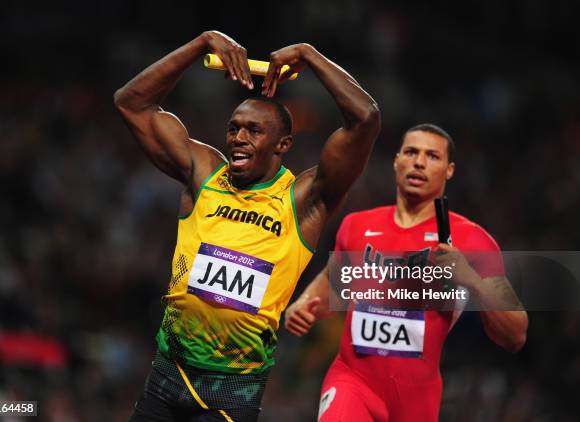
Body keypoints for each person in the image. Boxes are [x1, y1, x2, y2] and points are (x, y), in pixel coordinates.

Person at [114, 30, 380, 421]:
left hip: (232, 391)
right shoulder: (204, 172)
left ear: (282, 145)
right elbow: (131, 103)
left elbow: (366, 118)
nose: (239, 137)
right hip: (168, 375)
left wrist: (309, 56)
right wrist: (200, 44)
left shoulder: (304, 198)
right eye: (234, 127)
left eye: (254, 131)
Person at [285, 124, 529, 422]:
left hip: (416, 400)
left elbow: (516, 334)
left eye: (432, 156)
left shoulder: (472, 240)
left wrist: (471, 280)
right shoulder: (356, 225)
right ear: (396, 160)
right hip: (352, 380)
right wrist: (305, 302)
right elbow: (332, 282)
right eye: (411, 152)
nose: (419, 162)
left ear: (449, 170)